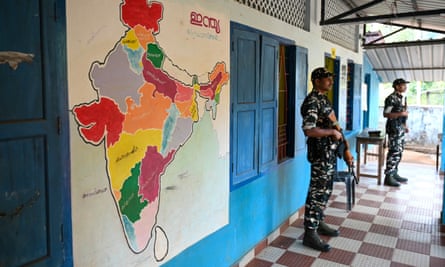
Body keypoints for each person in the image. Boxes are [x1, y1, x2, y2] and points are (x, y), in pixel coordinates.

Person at [300, 67, 349, 252]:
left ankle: (318, 222)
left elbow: (335, 123)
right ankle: (310, 233)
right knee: (316, 192)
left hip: (329, 155)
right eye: (327, 78)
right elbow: (309, 129)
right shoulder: (312, 102)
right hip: (320, 155)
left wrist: (346, 149)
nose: (331, 81)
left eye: (331, 78)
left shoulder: (324, 100)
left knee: (325, 190)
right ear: (316, 80)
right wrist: (331, 132)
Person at [383, 78, 410, 187]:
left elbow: (402, 115)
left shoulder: (400, 98)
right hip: (394, 130)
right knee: (393, 151)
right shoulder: (391, 98)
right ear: (397, 86)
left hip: (400, 129)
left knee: (399, 151)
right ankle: (388, 176)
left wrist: (404, 126)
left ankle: (394, 173)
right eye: (403, 85)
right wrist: (401, 114)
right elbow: (386, 114)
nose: (405, 87)